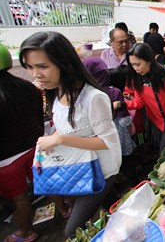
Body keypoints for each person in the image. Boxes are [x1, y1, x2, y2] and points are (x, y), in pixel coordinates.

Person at [19, 31, 122, 238]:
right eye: (29, 67)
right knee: (115, 206)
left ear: (64, 63)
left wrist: (59, 139)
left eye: (42, 66)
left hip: (101, 169)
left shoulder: (93, 98)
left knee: (71, 230)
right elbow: (67, 126)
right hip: (81, 165)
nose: (35, 75)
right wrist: (53, 140)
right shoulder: (57, 91)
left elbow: (108, 141)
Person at [113, 43, 165, 153]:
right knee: (161, 148)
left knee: (164, 151)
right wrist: (122, 105)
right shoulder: (137, 79)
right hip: (155, 121)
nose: (135, 69)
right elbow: (139, 102)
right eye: (132, 65)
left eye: (138, 64)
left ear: (148, 60)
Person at [0, 45, 43, 242]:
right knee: (43, 182)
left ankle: (26, 232)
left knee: (19, 198)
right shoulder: (28, 87)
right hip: (34, 147)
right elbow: (39, 117)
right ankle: (64, 208)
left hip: (7, 160)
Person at [83, 57, 137, 186]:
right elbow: (124, 120)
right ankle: (133, 184)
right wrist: (129, 128)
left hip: (100, 137)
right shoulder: (114, 92)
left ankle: (118, 181)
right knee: (128, 160)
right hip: (119, 133)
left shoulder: (86, 95)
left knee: (111, 161)